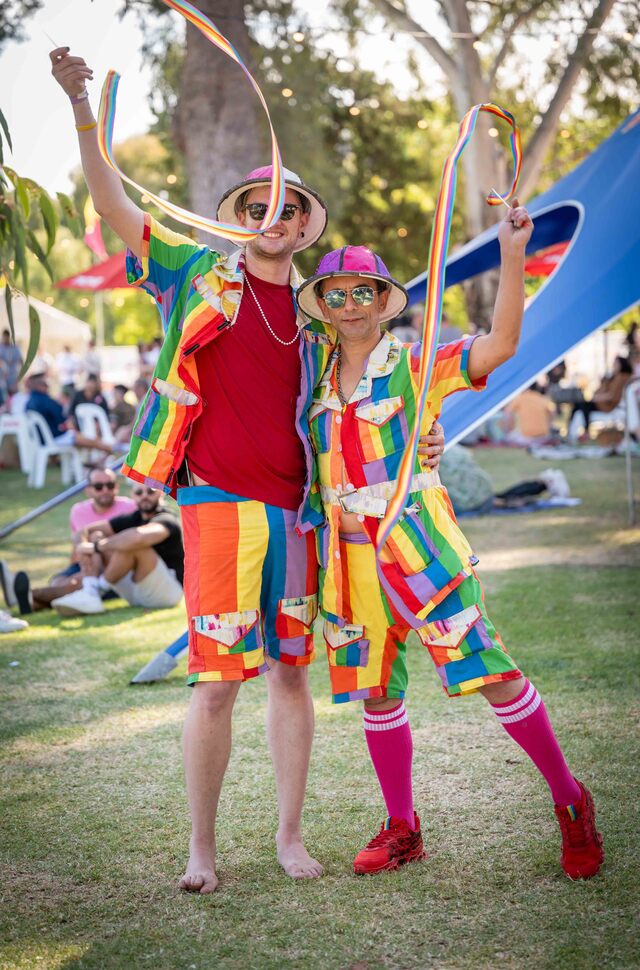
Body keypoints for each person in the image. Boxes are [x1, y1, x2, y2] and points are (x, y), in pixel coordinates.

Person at [50, 44, 445, 893]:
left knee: (291, 674)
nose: (273, 214)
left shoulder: (322, 320)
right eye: (257, 203)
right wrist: (84, 111)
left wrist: (427, 441)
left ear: (305, 225)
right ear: (240, 217)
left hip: (301, 517)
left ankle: (290, 836)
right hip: (217, 506)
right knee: (218, 684)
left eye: (288, 206)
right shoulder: (195, 276)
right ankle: (201, 849)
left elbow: (374, 406)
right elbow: (112, 199)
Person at [295, 217, 604, 882]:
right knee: (378, 694)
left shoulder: (416, 361)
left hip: (421, 549)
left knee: (491, 673)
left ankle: (570, 800)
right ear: (322, 305)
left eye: (362, 293)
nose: (349, 306)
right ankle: (403, 827)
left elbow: (502, 345)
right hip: (347, 566)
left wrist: (513, 253)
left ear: (383, 300)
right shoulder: (310, 378)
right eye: (336, 295)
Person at [1, 467, 137, 614]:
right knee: (60, 582)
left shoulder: (130, 508)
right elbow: (77, 545)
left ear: (116, 487)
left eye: (109, 485)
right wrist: (74, 569)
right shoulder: (78, 511)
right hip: (84, 562)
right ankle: (30, 603)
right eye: (98, 486)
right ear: (88, 490)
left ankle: (25, 595)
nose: (105, 490)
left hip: (113, 567)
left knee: (78, 578)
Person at [50, 484, 184, 616]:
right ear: (133, 496)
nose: (144, 496)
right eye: (139, 492)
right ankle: (90, 589)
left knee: (132, 545)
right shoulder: (134, 517)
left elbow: (138, 538)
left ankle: (95, 590)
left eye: (150, 491)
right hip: (136, 592)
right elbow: (84, 531)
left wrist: (96, 547)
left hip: (168, 593)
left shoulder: (167, 518)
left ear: (161, 493)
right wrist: (83, 546)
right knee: (96, 535)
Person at [438, 444, 570, 516]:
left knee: (502, 500)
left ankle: (543, 484)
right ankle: (542, 483)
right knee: (499, 497)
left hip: (468, 497)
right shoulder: (451, 446)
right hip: (480, 486)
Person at [26, 375, 114, 456]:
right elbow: (61, 417)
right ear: (39, 386)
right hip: (53, 437)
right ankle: (111, 449)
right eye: (45, 385)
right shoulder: (45, 400)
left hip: (40, 439)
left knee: (85, 438)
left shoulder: (29, 401)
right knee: (90, 441)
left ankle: (99, 457)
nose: (48, 387)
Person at [569, 355, 633, 437]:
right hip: (602, 403)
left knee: (583, 405)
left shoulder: (622, 377)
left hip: (608, 405)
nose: (613, 365)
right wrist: (604, 382)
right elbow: (602, 391)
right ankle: (573, 431)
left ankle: (585, 431)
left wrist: (597, 397)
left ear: (621, 364)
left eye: (615, 363)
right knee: (579, 405)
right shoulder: (612, 377)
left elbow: (612, 395)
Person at [503, 382, 556, 446]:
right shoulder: (542, 398)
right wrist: (548, 425)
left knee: (509, 438)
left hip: (526, 436)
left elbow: (508, 412)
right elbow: (553, 413)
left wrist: (508, 429)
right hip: (543, 435)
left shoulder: (521, 398)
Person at [0, 329, 23, 404]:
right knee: (4, 397)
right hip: (3, 377)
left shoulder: (15, 347)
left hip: (13, 377)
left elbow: (21, 360)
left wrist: (21, 374)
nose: (5, 339)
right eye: (4, 337)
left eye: (6, 337)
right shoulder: (1, 347)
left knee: (15, 397)